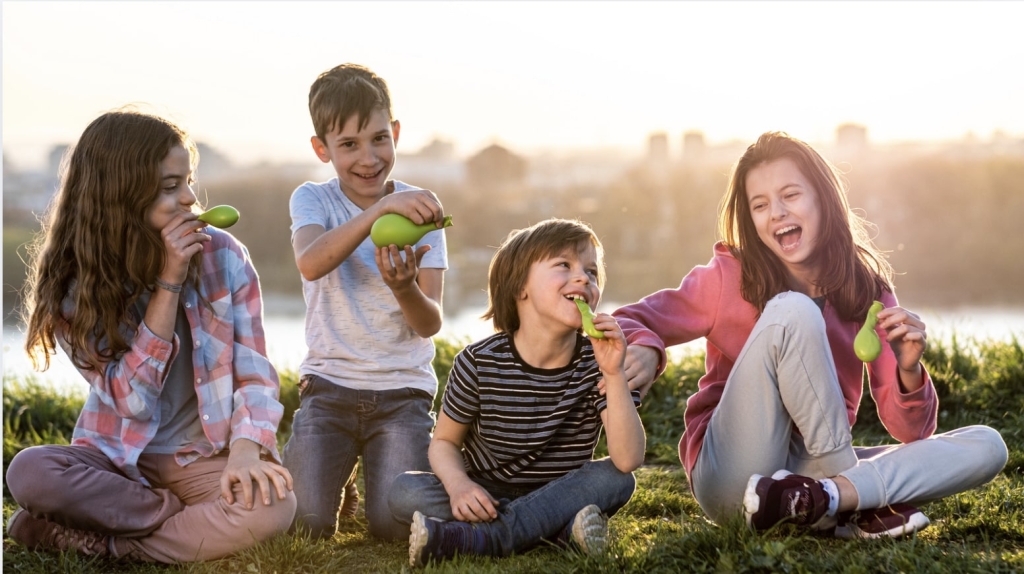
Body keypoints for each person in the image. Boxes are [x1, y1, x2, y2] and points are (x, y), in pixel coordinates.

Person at [613, 131, 1007, 539]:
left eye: (791, 195)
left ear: (822, 198)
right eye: (760, 205)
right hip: (732, 475)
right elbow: (628, 318)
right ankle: (851, 498)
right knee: (792, 309)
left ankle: (824, 500)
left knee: (986, 445)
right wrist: (646, 346)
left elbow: (910, 433)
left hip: (807, 471)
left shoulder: (867, 292)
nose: (777, 213)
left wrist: (909, 369)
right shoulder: (729, 276)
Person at [5, 110, 296, 563]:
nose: (189, 199)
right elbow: (133, 402)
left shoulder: (223, 255)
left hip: (201, 457)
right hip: (119, 464)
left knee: (274, 508)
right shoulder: (74, 289)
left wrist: (245, 453)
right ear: (120, 196)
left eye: (188, 181)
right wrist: (168, 283)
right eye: (168, 187)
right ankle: (168, 517)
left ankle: (109, 543)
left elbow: (256, 375)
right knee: (30, 472)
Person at [388, 218, 646, 567]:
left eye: (591, 271)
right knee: (403, 490)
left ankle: (483, 538)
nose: (584, 277)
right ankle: (558, 532)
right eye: (564, 265)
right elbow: (444, 443)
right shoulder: (478, 361)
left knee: (618, 478)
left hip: (560, 492)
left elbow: (628, 458)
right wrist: (459, 487)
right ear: (520, 288)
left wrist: (614, 373)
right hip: (484, 492)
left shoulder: (597, 361)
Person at [282, 63, 448, 541]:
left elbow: (429, 323)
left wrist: (403, 288)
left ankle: (403, 465)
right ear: (322, 149)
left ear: (395, 132)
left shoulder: (421, 207)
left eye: (379, 138)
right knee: (303, 525)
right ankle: (336, 473)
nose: (369, 157)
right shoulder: (312, 199)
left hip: (402, 395)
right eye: (349, 145)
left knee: (393, 527)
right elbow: (311, 262)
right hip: (329, 390)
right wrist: (379, 211)